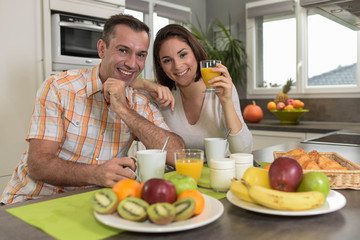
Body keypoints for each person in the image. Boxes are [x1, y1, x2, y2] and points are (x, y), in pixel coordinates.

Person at [0, 15, 185, 205]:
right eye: (123, 50)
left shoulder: (139, 102)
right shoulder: (59, 88)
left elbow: (178, 155)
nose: (132, 63)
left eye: (140, 55)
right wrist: (96, 174)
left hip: (91, 205)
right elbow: (38, 164)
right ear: (102, 49)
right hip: (32, 200)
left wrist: (124, 110)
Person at [132, 24, 252, 155]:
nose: (177, 66)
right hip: (175, 173)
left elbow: (243, 151)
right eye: (167, 60)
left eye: (183, 55)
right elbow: (116, 82)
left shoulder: (221, 88)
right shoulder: (161, 90)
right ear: (161, 66)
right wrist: (146, 83)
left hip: (214, 171)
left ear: (195, 52)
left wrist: (226, 102)